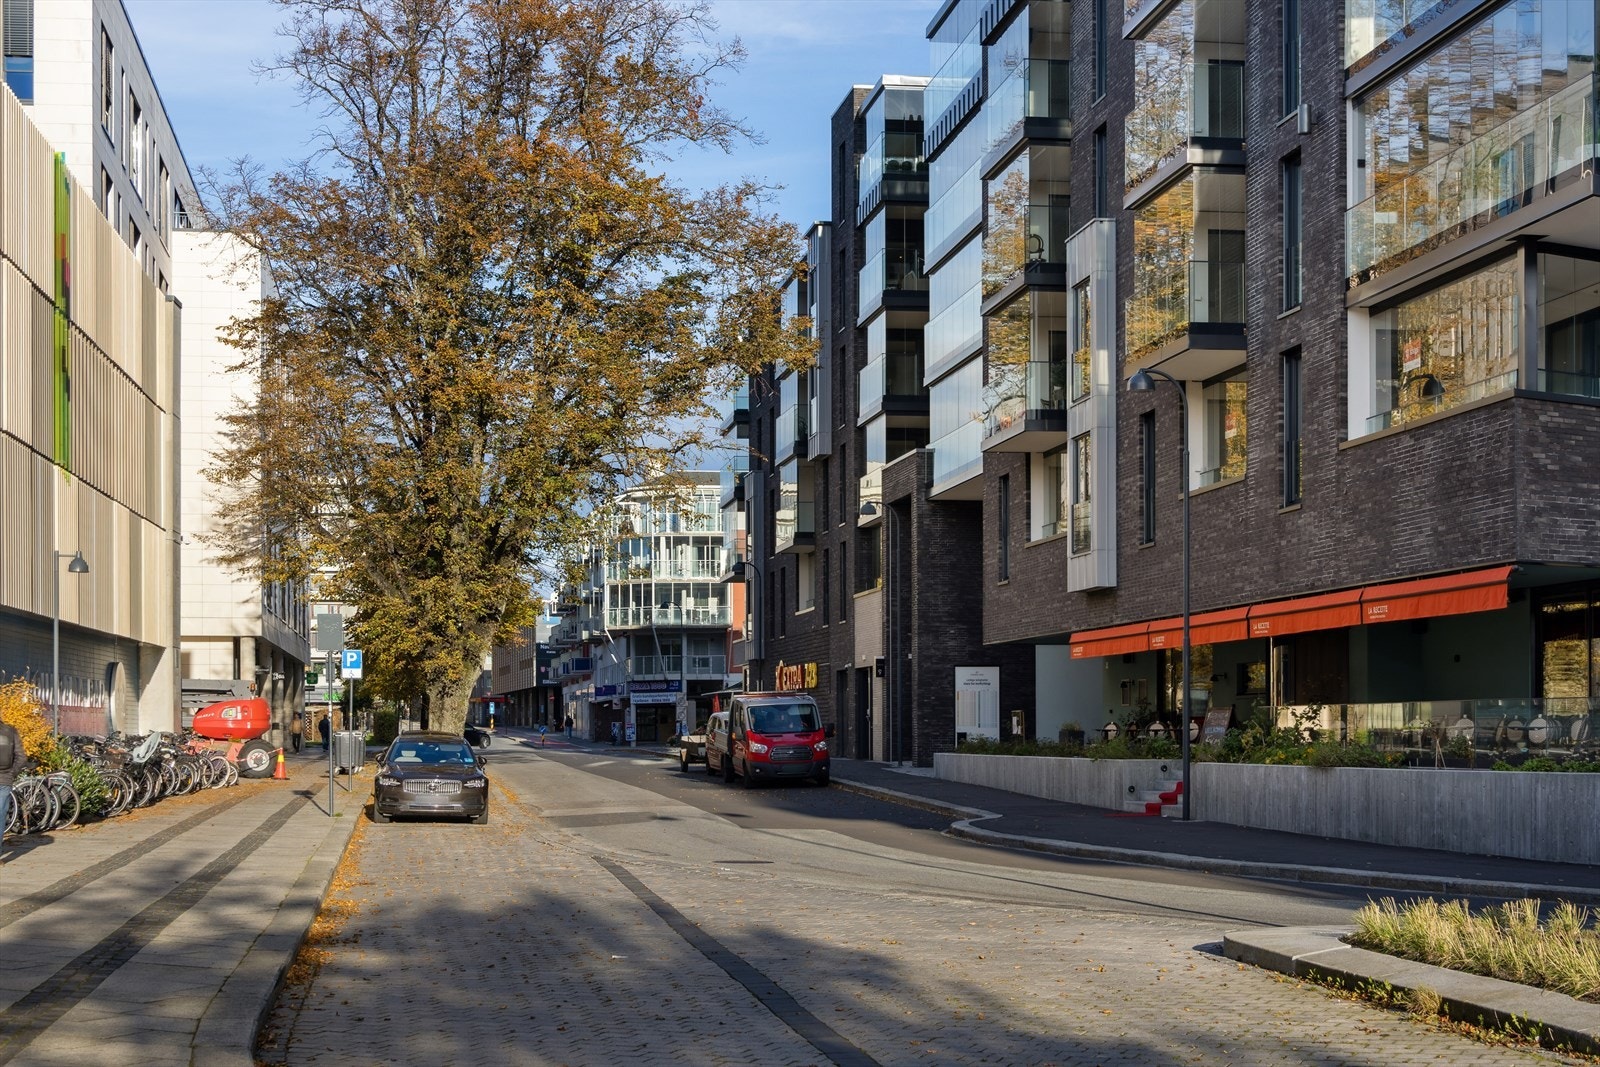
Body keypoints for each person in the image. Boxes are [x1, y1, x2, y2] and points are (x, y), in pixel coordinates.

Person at [0, 717, 23, 842]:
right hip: (4, 779)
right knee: (0, 817)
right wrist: (12, 773)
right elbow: (21, 756)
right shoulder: (10, 731)